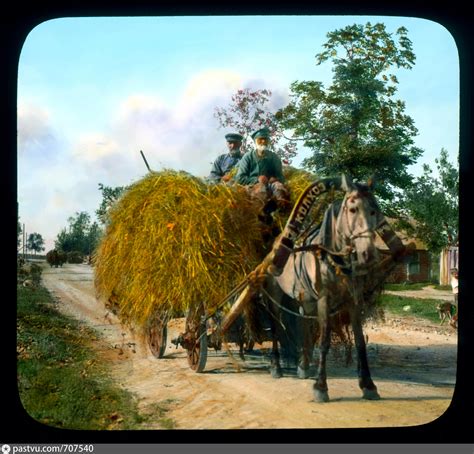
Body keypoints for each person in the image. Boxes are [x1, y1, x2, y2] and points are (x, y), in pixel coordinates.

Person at [235, 127, 290, 209]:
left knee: (279, 187)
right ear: (255, 141)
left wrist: (275, 179)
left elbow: (281, 176)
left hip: (270, 184)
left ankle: (282, 208)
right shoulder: (248, 157)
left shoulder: (273, 157)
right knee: (260, 189)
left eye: (265, 139)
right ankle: (259, 212)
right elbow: (239, 178)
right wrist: (256, 179)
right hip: (252, 186)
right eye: (260, 139)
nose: (263, 141)